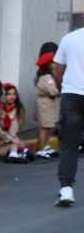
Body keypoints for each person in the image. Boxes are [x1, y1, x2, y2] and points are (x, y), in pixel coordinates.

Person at [54, 21, 84, 206]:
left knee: (70, 144)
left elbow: (58, 73)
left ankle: (66, 189)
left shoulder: (69, 38)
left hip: (72, 95)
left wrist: (62, 90)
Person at [34, 51, 60, 159]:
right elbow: (53, 91)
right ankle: (41, 149)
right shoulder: (47, 78)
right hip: (46, 103)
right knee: (44, 127)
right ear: (49, 64)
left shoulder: (44, 76)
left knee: (47, 126)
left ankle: (46, 146)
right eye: (53, 63)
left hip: (47, 102)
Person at [0, 84, 30, 162]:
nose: (12, 97)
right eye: (9, 94)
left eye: (14, 94)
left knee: (16, 142)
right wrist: (12, 138)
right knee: (17, 142)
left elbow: (14, 130)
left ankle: (14, 155)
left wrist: (12, 138)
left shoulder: (18, 110)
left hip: (10, 138)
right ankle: (22, 152)